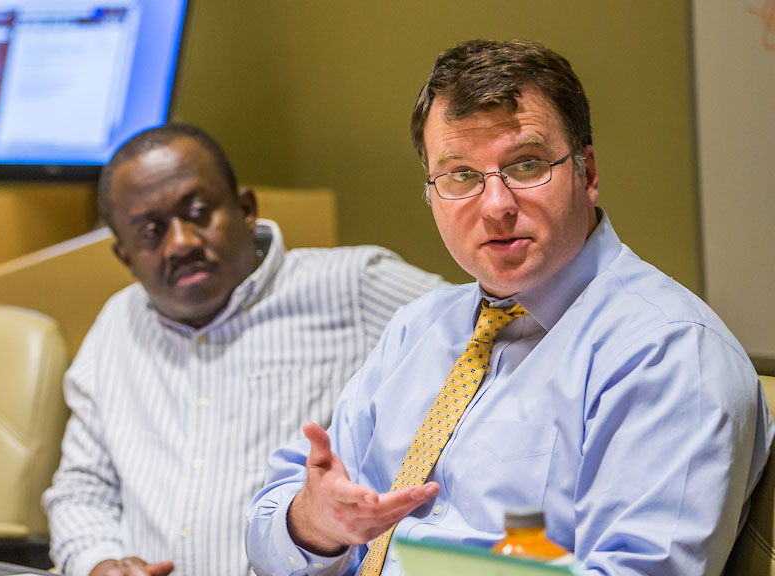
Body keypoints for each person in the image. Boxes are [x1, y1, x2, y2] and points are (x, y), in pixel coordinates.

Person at [245, 39, 774, 576]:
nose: (495, 206)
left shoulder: (668, 351)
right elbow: (268, 532)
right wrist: (315, 524)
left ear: (587, 173)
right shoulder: (417, 327)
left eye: (525, 165)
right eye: (461, 176)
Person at [42, 123, 448, 576]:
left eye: (197, 212)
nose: (181, 242)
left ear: (245, 208)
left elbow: (487, 331)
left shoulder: (354, 286)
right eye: (152, 231)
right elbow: (82, 489)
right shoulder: (117, 325)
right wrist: (98, 563)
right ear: (125, 256)